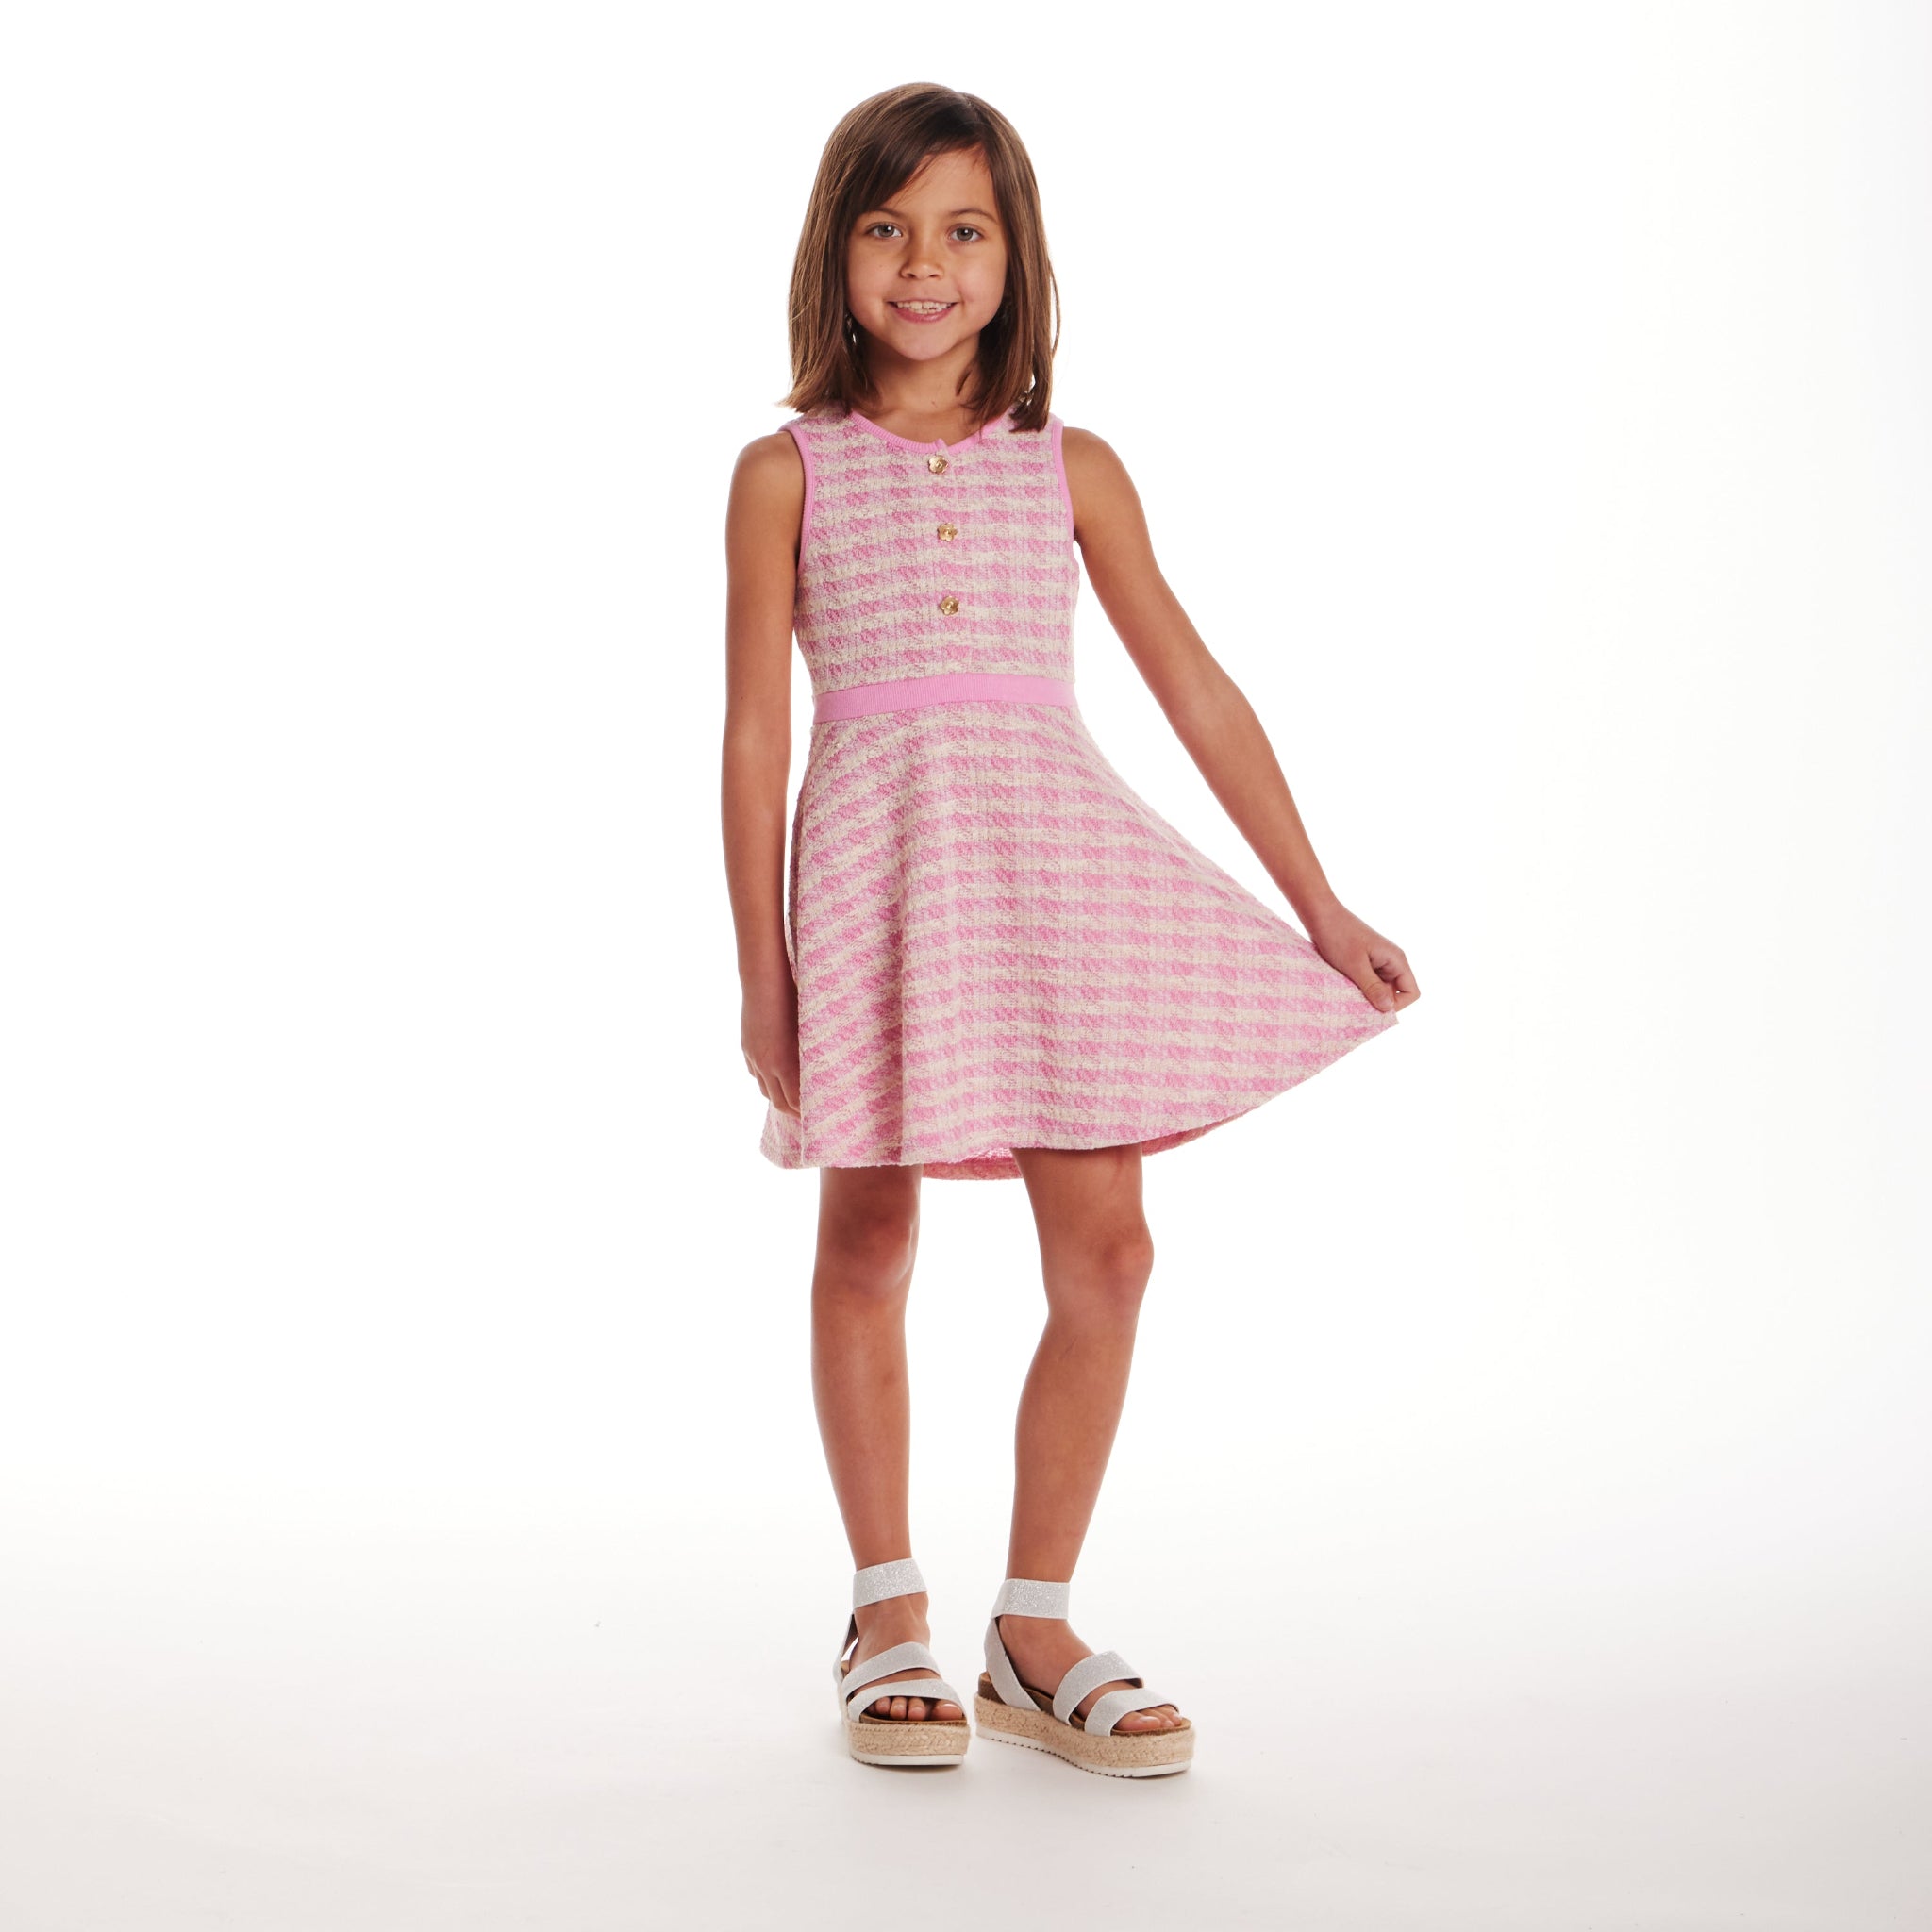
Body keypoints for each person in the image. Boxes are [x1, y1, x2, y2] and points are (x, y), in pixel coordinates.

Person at [721, 82, 1419, 1777]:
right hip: (882, 880)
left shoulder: (1071, 465)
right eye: (888, 227)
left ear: (1015, 255)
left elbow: (1195, 688)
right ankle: (885, 1606)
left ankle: (1033, 1631)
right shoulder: (783, 472)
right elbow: (752, 733)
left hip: (1062, 880)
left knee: (1107, 1252)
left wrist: (1318, 900)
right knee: (867, 1238)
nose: (925, 263)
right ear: (835, 253)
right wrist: (763, 976)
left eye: (964, 228)